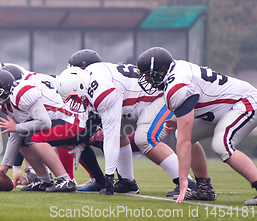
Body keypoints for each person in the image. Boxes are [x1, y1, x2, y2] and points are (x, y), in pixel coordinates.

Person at [65, 49, 198, 196]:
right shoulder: (97, 77)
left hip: (161, 97)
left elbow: (110, 134)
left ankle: (187, 182)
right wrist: (81, 143)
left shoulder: (100, 87)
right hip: (138, 104)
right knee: (120, 132)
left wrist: (109, 176)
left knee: (145, 138)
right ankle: (127, 182)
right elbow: (94, 124)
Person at [136, 47, 257, 205]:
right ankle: (204, 188)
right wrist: (177, 122)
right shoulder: (175, 73)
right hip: (226, 107)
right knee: (183, 133)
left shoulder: (176, 86)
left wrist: (183, 181)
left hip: (245, 102)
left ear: (160, 72)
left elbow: (184, 144)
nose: (148, 81)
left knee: (221, 145)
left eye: (148, 76)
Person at [0, 69, 83, 192]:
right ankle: (44, 181)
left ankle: (66, 180)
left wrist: (16, 127)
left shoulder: (22, 93)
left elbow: (44, 122)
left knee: (34, 138)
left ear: (4, 90)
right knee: (23, 140)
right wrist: (5, 166)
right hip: (57, 122)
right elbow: (15, 135)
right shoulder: (6, 103)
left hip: (72, 120)